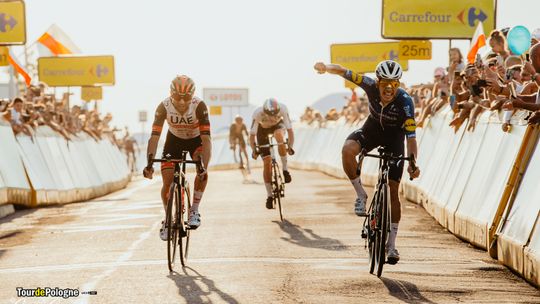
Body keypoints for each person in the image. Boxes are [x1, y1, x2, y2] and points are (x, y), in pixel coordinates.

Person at [314, 60, 421, 264]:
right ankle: (361, 195)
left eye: (394, 84)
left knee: (392, 191)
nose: (389, 88)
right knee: (347, 150)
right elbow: (344, 71)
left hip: (394, 140)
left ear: (398, 84)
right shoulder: (369, 85)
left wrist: (413, 164)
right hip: (371, 131)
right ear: (378, 82)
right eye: (385, 84)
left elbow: (411, 138)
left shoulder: (406, 102)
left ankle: (391, 245)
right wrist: (326, 68)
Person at [143, 75, 211, 240]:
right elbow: (154, 137)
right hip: (173, 141)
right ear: (171, 94)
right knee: (167, 182)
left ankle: (194, 210)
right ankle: (168, 219)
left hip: (195, 140)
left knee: (201, 167)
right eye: (177, 97)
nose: (181, 102)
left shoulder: (199, 106)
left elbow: (206, 139)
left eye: (186, 97)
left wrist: (204, 167)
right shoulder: (163, 107)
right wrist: (149, 164)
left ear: (192, 95)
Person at [250, 98, 295, 209]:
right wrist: (254, 150)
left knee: (279, 135)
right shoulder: (257, 113)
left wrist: (290, 146)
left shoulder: (283, 109)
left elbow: (290, 131)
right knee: (267, 162)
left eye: (274, 115)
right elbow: (251, 135)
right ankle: (269, 196)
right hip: (262, 130)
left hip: (277, 127)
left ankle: (285, 170)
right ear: (264, 111)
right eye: (269, 115)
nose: (271, 117)